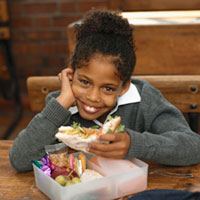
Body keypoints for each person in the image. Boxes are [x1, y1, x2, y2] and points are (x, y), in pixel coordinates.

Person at [9, 9, 200, 172]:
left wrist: (135, 144)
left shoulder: (144, 100)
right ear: (71, 73)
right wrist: (62, 103)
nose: (92, 97)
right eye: (84, 82)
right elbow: (20, 160)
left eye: (108, 88)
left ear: (124, 86)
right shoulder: (59, 107)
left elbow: (193, 146)